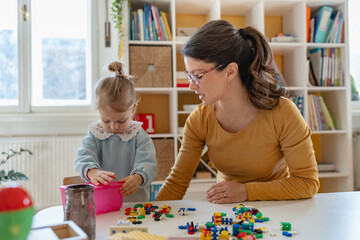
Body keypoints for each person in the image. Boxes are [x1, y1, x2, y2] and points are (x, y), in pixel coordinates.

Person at [155, 20, 320, 203]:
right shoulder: (199, 120)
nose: (191, 85)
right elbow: (176, 184)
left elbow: (307, 183)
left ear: (230, 71)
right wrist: (147, 221)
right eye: (189, 75)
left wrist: (247, 191)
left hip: (277, 210)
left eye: (198, 75)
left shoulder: (283, 113)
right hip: (226, 214)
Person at [75, 61, 157, 202]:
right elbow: (83, 157)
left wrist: (138, 178)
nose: (113, 127)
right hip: (102, 203)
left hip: (134, 204)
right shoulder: (94, 134)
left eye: (121, 121)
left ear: (133, 110)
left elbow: (148, 163)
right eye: (106, 121)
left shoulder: (139, 135)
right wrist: (92, 171)